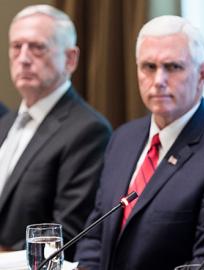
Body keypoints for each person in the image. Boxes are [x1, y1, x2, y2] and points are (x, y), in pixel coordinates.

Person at [74, 15, 204, 270]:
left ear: (203, 74)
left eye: (173, 67)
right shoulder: (123, 138)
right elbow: (95, 235)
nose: (158, 80)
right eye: (148, 66)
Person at [0, 5, 111, 260]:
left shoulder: (88, 130)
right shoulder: (5, 123)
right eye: (17, 47)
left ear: (70, 59)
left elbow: (67, 235)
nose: (24, 58)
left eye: (37, 47)